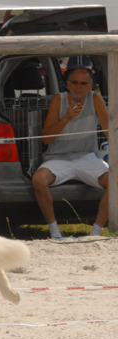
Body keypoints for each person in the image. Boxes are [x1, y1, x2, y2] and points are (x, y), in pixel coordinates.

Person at [32, 66, 109, 239]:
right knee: (38, 179)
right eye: (74, 82)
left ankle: (95, 233)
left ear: (90, 86)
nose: (78, 87)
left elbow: (110, 132)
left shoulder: (95, 99)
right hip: (58, 158)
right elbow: (46, 139)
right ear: (67, 84)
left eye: (83, 83)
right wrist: (66, 118)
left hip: (86, 157)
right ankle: (55, 233)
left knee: (115, 182)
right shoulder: (59, 100)